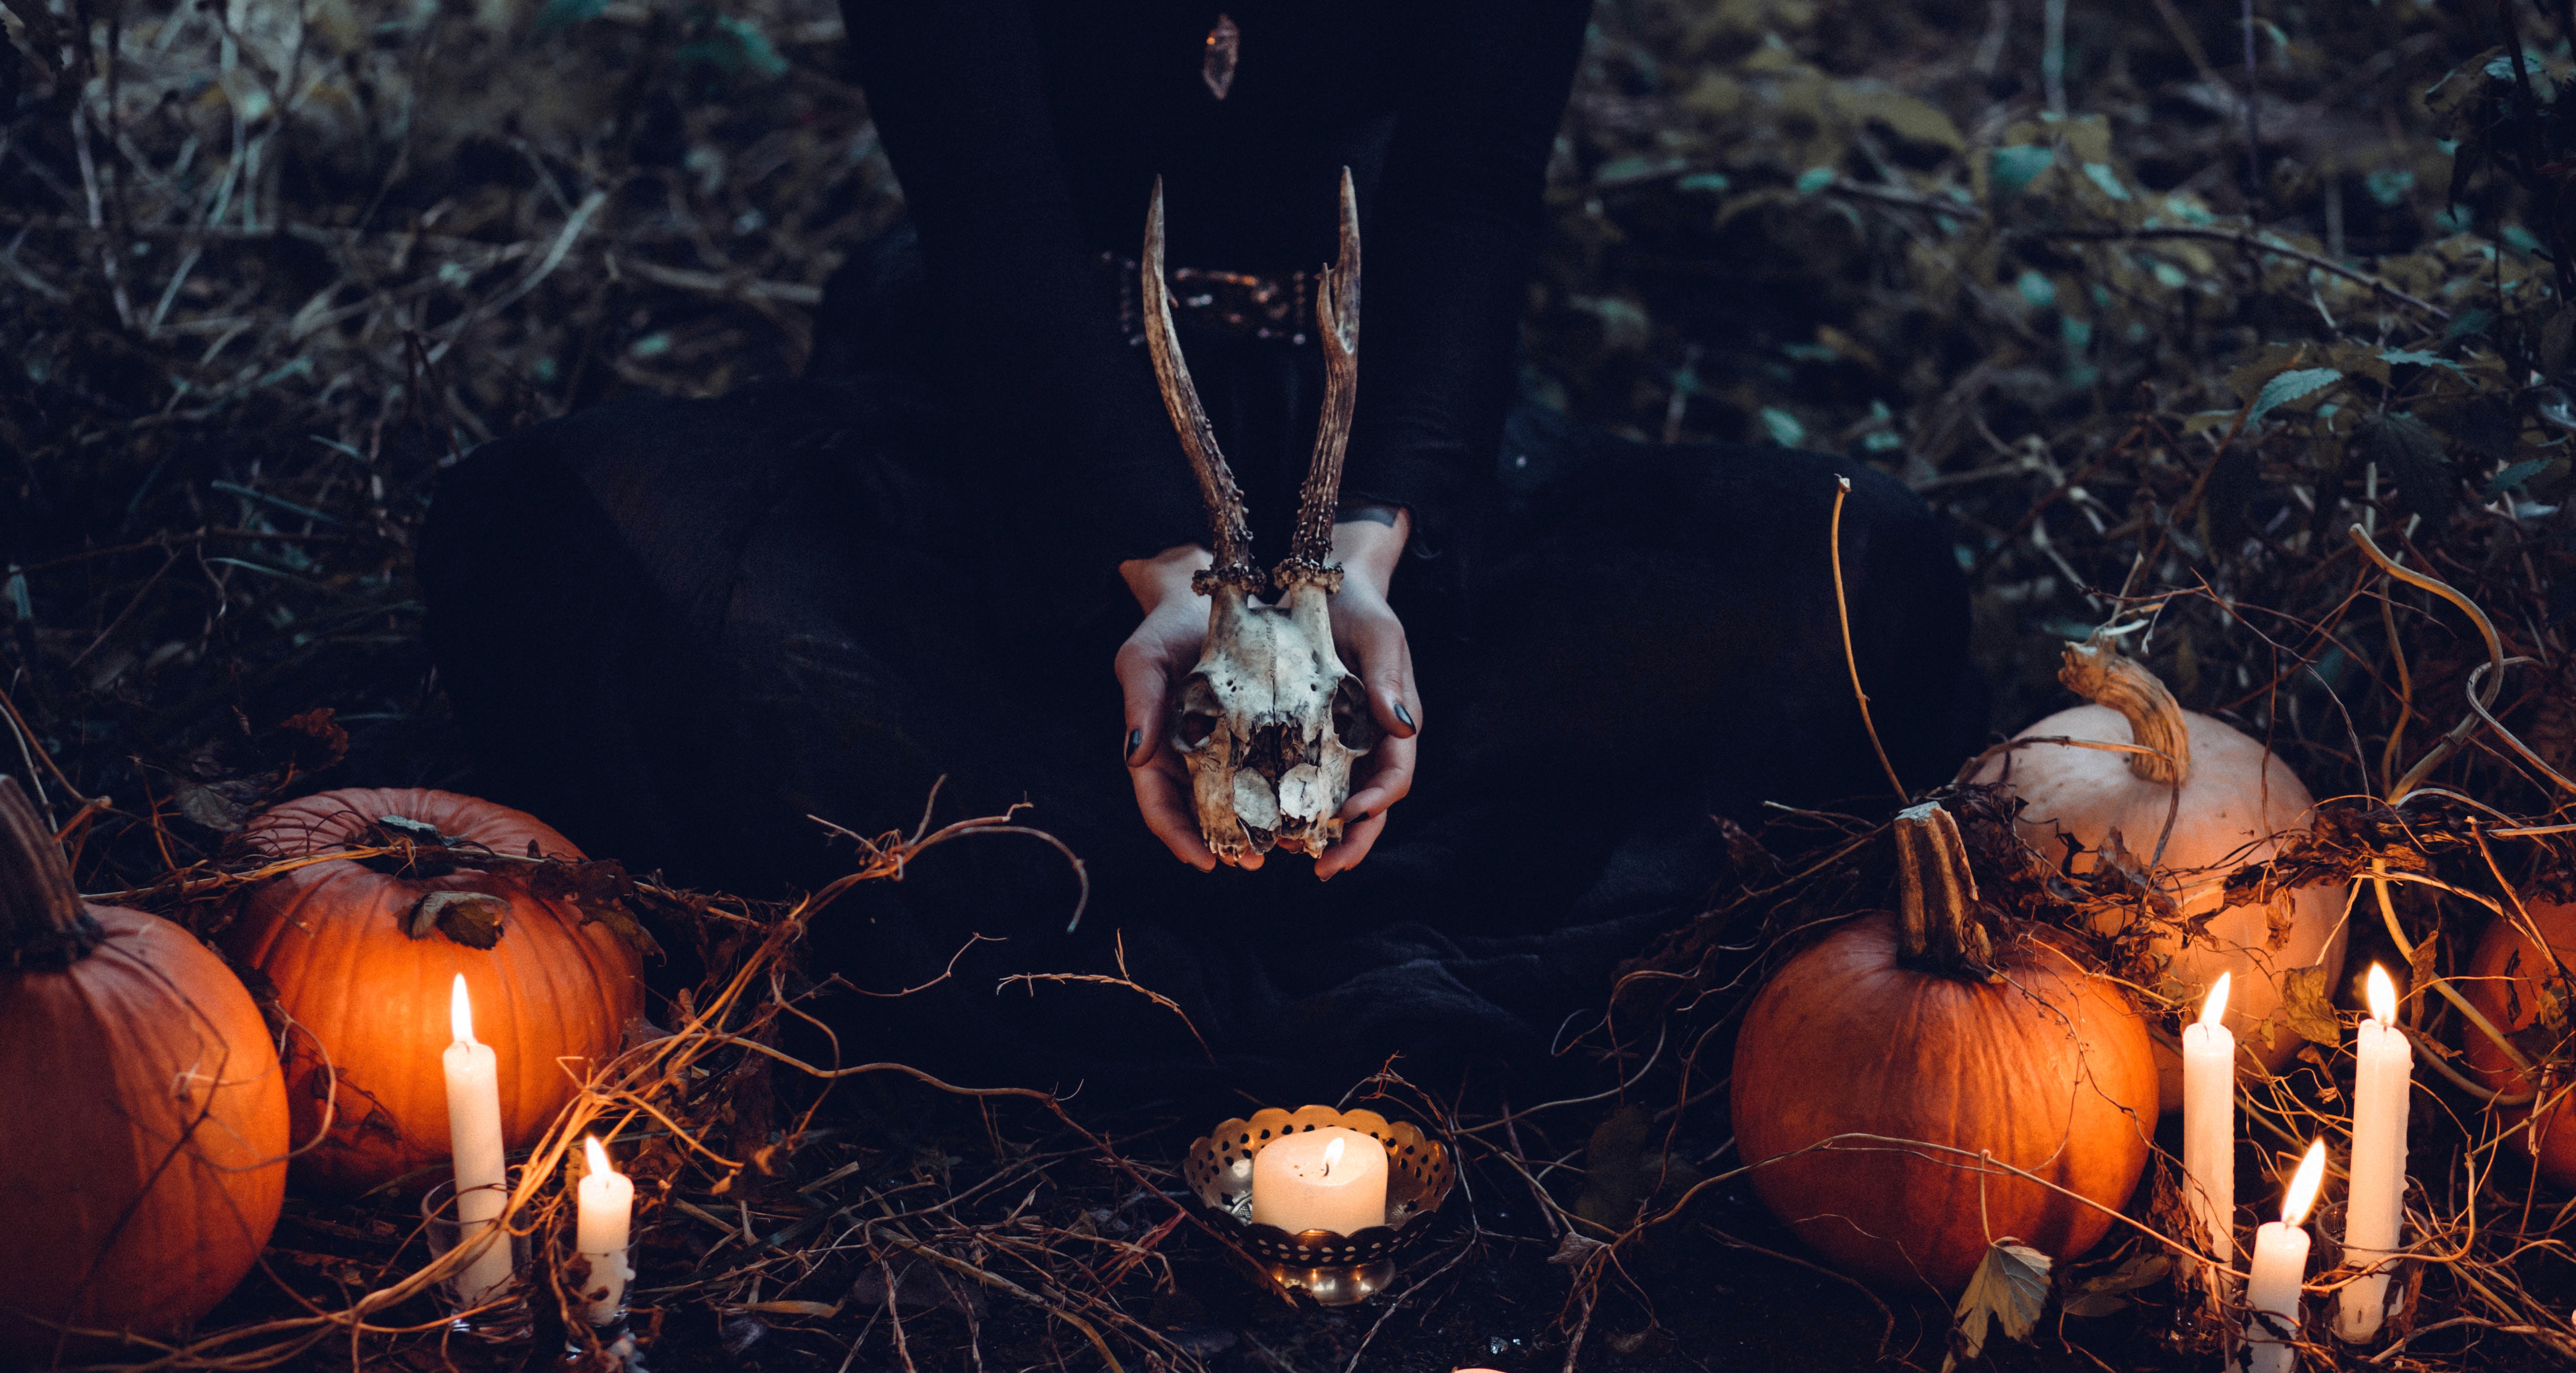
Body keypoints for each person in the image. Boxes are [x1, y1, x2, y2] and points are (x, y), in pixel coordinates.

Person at [417, 1, 1973, 1089]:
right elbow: (990, 213)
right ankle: (1249, 889)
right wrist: (1161, 571)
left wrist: (1371, 559)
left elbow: (1473, 198)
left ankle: (1142, 877)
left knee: (1858, 572)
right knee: (558, 537)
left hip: (1376, 431)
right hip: (1019, 430)